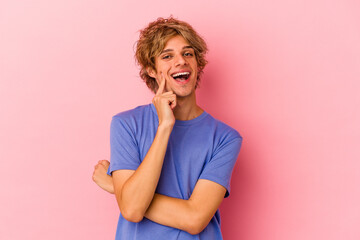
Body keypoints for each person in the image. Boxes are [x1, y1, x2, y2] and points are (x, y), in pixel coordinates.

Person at [92, 17, 243, 240]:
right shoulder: (126, 124)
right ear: (151, 70)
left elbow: (194, 219)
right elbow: (132, 211)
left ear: (197, 64)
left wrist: (118, 188)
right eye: (167, 56)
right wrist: (164, 126)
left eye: (188, 53)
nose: (180, 61)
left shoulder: (225, 138)